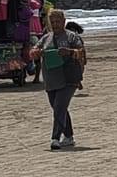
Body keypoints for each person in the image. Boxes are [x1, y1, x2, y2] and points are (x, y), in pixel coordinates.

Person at [30, 9, 86, 150]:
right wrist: (35, 52)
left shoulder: (71, 37)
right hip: (51, 79)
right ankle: (69, 136)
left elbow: (81, 53)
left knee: (59, 107)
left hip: (68, 78)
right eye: (52, 22)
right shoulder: (46, 38)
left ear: (64, 21)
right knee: (58, 108)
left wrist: (69, 52)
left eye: (58, 21)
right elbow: (34, 50)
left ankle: (55, 138)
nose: (55, 24)